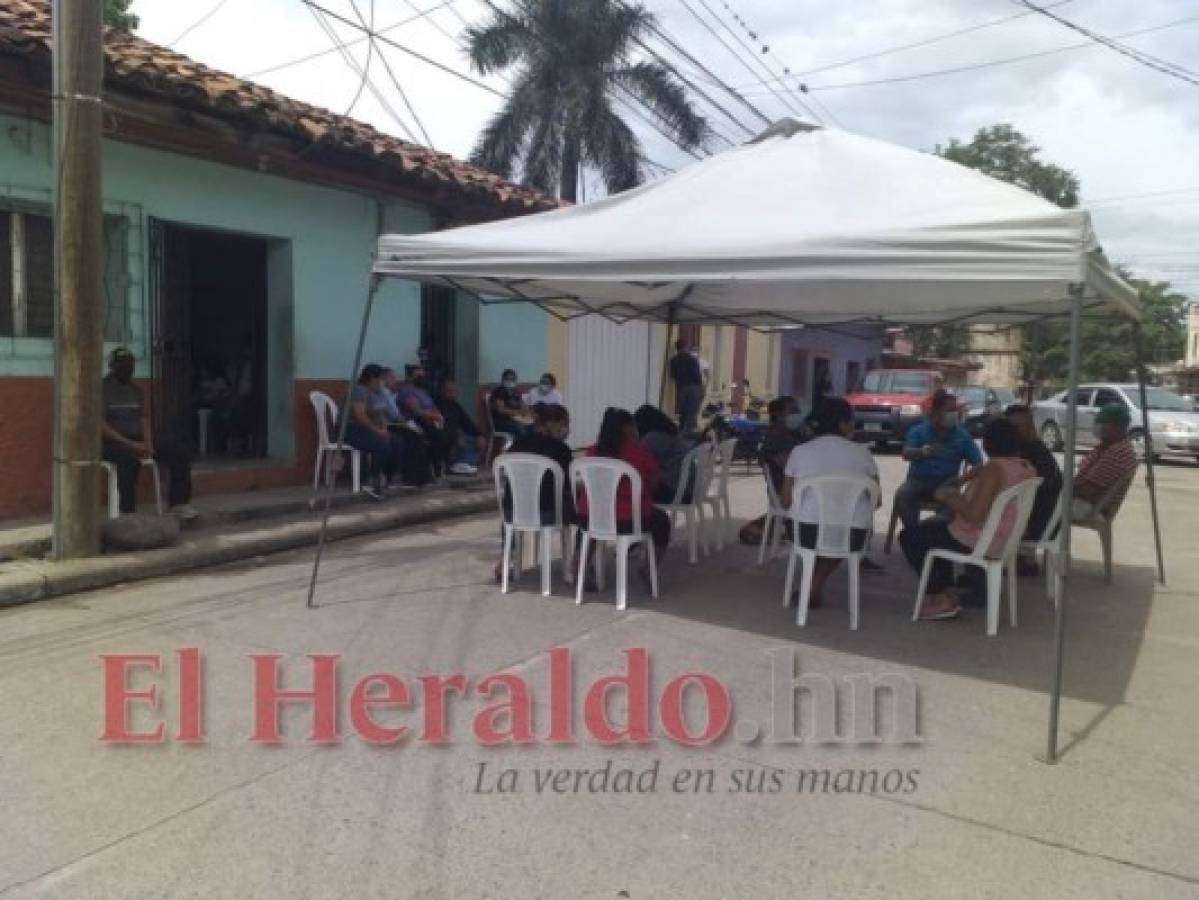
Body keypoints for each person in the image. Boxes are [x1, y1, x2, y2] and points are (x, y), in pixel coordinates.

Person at [899, 417, 1036, 620]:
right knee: (935, 530)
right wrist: (967, 479)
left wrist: (949, 498)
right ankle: (947, 592)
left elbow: (974, 515)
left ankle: (940, 596)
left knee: (910, 537)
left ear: (988, 443)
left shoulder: (995, 469)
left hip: (981, 538)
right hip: (1004, 537)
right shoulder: (1025, 467)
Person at [780, 398, 881, 609]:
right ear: (843, 424)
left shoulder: (800, 451)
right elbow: (876, 501)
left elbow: (786, 500)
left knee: (816, 535)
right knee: (838, 539)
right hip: (850, 534)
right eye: (851, 421)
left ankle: (811, 585)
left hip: (805, 531)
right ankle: (814, 586)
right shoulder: (863, 453)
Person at [575, 408, 672, 585]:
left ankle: (579, 566)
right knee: (662, 522)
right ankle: (648, 568)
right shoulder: (639, 453)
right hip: (626, 521)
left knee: (587, 523)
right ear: (627, 428)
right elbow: (652, 483)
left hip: (593, 518)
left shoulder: (591, 453)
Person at [101, 348, 198, 520]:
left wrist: (148, 443)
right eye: (121, 364)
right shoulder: (103, 390)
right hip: (111, 443)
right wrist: (131, 445)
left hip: (137, 439)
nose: (126, 368)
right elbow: (101, 425)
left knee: (178, 451)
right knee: (129, 461)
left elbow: (144, 418)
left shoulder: (136, 390)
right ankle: (127, 513)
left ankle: (179, 504)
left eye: (129, 364)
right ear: (112, 366)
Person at [494, 404, 576, 583]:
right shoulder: (561, 450)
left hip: (513, 512)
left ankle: (506, 559)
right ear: (551, 423)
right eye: (564, 424)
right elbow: (567, 488)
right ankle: (576, 564)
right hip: (546, 513)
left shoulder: (517, 443)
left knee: (511, 513)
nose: (566, 430)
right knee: (580, 509)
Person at [894, 389, 983, 531]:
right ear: (936, 411)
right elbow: (906, 453)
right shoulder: (918, 431)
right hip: (918, 482)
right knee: (902, 495)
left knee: (951, 510)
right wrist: (921, 452)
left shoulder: (962, 436)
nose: (954, 414)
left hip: (947, 485)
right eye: (949, 410)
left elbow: (979, 465)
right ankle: (913, 533)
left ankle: (925, 533)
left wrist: (960, 480)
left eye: (955, 410)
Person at [1006, 403, 1063, 574]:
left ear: (1030, 425)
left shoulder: (1034, 456)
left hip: (1037, 525)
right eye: (1010, 428)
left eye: (1017, 427)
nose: (1013, 432)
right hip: (1038, 521)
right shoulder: (1030, 450)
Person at [343, 364, 405, 498]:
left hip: (364, 429)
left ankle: (393, 478)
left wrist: (383, 428)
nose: (381, 384)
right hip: (349, 430)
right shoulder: (359, 390)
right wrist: (378, 431)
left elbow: (378, 413)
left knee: (396, 441)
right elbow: (360, 417)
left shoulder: (374, 394)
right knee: (381, 444)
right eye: (380, 380)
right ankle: (372, 481)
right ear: (371, 379)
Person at [1072, 403, 1138, 522]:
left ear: (1117, 427)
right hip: (1084, 501)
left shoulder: (1117, 452)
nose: (1098, 426)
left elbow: (1087, 490)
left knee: (1043, 503)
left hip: (1091, 507)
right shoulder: (1107, 446)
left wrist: (1061, 487)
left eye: (1103, 423)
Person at [634, 404, 699, 504]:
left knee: (633, 491)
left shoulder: (652, 438)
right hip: (692, 490)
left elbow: (639, 462)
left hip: (677, 493)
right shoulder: (670, 433)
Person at [398, 364, 453, 478]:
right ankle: (435, 468)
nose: (421, 378)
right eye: (418, 376)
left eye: (422, 376)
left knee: (449, 433)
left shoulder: (422, 391)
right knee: (436, 436)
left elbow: (432, 406)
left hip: (431, 420)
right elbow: (417, 411)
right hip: (417, 422)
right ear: (409, 377)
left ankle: (443, 465)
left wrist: (438, 416)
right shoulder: (406, 391)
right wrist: (434, 417)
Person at [436, 380, 485, 474]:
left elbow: (467, 423)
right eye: (448, 391)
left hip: (455, 435)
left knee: (475, 440)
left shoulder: (455, 405)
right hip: (443, 435)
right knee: (459, 441)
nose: (452, 394)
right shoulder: (437, 404)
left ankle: (464, 463)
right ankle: (455, 465)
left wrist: (479, 435)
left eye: (454, 391)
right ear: (442, 391)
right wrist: (456, 435)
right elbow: (443, 425)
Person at [669, 340, 704, 433]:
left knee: (683, 413)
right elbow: (698, 375)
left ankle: (681, 433)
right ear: (685, 347)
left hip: (682, 389)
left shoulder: (673, 360)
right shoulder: (693, 359)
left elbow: (673, 376)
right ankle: (690, 436)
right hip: (694, 388)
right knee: (692, 413)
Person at [489, 368, 529, 437]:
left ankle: (530, 446)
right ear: (503, 380)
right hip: (501, 421)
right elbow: (501, 410)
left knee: (531, 427)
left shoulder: (515, 392)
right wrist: (518, 412)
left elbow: (522, 404)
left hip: (515, 419)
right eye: (508, 379)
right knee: (521, 428)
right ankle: (520, 447)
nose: (510, 381)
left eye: (513, 379)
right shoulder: (498, 391)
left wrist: (525, 409)